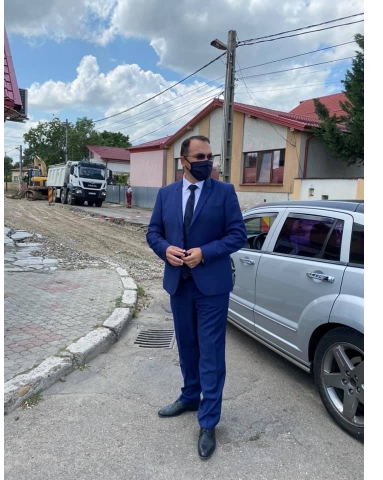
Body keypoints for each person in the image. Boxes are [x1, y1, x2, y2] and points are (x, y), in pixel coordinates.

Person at [146, 135, 247, 460]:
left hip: (212, 288)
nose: (207, 162)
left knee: (211, 354)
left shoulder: (225, 192)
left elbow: (238, 235)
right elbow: (153, 233)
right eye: (200, 157)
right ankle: (190, 396)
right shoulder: (166, 194)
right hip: (179, 285)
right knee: (187, 347)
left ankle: (208, 421)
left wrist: (205, 252)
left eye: (210, 156)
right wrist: (165, 249)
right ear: (184, 161)